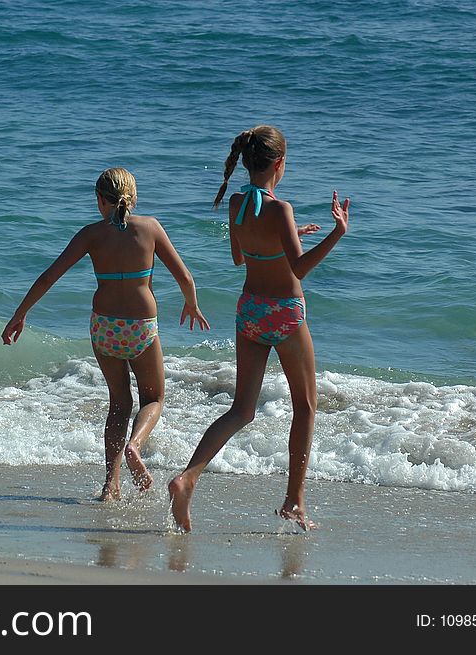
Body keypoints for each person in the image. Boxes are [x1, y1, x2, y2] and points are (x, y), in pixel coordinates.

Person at [168, 125, 350, 531]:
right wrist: (337, 233)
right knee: (304, 408)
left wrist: (290, 237)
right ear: (280, 164)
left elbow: (240, 256)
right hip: (284, 313)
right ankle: (294, 502)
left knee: (240, 410)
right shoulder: (279, 208)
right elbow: (299, 268)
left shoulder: (236, 204)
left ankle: (188, 478)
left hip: (249, 310)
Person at [1, 167, 210, 501]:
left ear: (99, 199)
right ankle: (135, 445)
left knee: (118, 403)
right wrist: (192, 305)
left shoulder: (90, 234)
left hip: (105, 328)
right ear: (133, 196)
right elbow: (184, 276)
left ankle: (110, 486)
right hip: (141, 327)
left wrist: (20, 313)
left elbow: (49, 276)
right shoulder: (151, 227)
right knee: (153, 398)